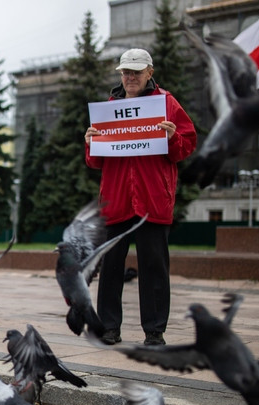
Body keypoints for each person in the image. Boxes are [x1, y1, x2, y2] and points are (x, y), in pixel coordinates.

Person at [84, 48, 196, 346]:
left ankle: (155, 331)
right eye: (126, 72)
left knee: (154, 268)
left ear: (150, 72)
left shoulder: (167, 104)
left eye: (136, 71)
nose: (130, 77)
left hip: (153, 200)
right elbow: (96, 162)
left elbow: (186, 146)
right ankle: (109, 328)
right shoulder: (109, 109)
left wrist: (173, 137)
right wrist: (90, 143)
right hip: (116, 200)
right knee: (111, 267)